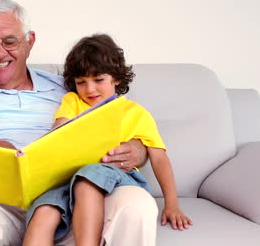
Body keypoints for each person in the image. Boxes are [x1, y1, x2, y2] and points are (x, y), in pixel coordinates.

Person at [0, 0, 156, 246]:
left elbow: (119, 123)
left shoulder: (67, 87)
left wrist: (138, 151)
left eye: (10, 41)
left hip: (70, 202)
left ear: (30, 41)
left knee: (135, 203)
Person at [23, 34, 193, 246]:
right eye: (81, 82)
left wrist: (172, 204)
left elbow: (159, 159)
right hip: (68, 179)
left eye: (98, 80)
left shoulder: (136, 113)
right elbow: (60, 129)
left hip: (115, 175)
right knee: (44, 211)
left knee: (87, 180)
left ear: (116, 78)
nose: (90, 89)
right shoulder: (73, 101)